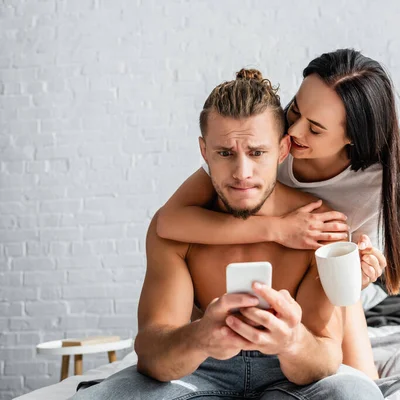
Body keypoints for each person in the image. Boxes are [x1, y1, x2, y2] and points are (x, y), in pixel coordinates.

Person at [69, 70, 383, 400]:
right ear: (204, 152)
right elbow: (151, 351)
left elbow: (323, 356)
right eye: (225, 153)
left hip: (291, 378)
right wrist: (201, 337)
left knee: (357, 393)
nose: (242, 173)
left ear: (283, 150)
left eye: (257, 153)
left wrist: (291, 341)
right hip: (198, 369)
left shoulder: (322, 230)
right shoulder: (175, 230)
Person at [156, 49, 400, 378]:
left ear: (353, 137)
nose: (294, 132)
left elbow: (342, 262)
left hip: (322, 284)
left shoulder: (372, 187)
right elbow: (169, 221)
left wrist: (357, 274)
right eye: (296, 110)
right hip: (262, 271)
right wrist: (279, 229)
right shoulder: (258, 148)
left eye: (315, 129)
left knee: (362, 384)